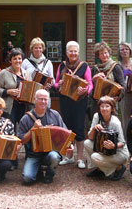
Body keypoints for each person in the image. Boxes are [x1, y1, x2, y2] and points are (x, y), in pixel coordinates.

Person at [18, 89, 70, 184]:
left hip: (50, 153)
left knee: (54, 157)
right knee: (27, 179)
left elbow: (66, 133)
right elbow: (21, 141)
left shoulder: (55, 114)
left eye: (45, 99)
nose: (43, 102)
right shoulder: (26, 118)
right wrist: (33, 129)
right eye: (41, 99)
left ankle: (49, 175)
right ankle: (38, 171)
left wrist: (69, 145)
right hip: (33, 154)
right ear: (35, 100)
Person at [54, 41, 93, 169]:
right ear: (67, 52)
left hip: (79, 102)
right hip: (65, 101)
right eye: (71, 51)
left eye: (75, 51)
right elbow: (55, 83)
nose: (73, 53)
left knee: (79, 129)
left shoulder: (84, 66)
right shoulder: (62, 66)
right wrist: (58, 84)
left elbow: (90, 83)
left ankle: (80, 158)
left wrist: (86, 90)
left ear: (78, 52)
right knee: (67, 129)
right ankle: (69, 157)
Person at [84, 96, 129, 181]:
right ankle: (100, 168)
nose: (104, 109)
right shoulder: (97, 116)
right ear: (99, 108)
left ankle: (119, 168)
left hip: (119, 153)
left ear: (112, 108)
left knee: (95, 156)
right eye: (102, 106)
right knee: (86, 143)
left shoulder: (115, 122)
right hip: (103, 148)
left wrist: (113, 146)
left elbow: (122, 143)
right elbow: (90, 137)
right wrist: (94, 128)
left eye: (107, 106)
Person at [0, 48, 31, 125]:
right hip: (9, 107)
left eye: (19, 58)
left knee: (22, 130)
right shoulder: (3, 73)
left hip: (23, 107)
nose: (17, 61)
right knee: (9, 130)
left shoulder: (27, 74)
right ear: (10, 60)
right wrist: (7, 92)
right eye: (15, 59)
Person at [91, 41, 125, 114]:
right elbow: (90, 86)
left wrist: (118, 97)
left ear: (109, 53)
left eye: (106, 53)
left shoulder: (116, 67)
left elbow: (122, 86)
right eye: (101, 53)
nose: (104, 55)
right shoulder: (95, 68)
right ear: (98, 55)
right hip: (97, 104)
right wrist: (94, 78)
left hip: (110, 104)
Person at [21, 37, 54, 106]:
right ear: (32, 49)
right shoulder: (26, 62)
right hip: (30, 96)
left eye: (40, 47)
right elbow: (21, 78)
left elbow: (52, 79)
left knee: (45, 115)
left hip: (44, 95)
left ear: (43, 49)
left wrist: (50, 84)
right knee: (32, 116)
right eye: (35, 48)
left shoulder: (48, 62)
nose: (38, 50)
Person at [118, 42, 132, 133]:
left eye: (127, 49)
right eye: (122, 49)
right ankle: (125, 139)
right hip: (124, 95)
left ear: (130, 51)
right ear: (119, 52)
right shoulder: (117, 65)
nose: (125, 51)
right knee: (125, 118)